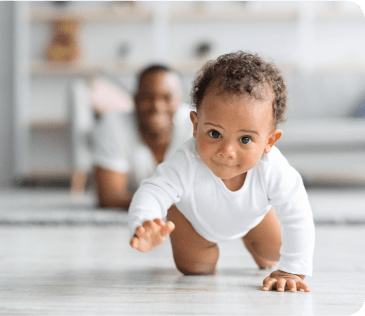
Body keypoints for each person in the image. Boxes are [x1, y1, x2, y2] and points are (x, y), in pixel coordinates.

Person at [128, 51, 315, 293]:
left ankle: (253, 241)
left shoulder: (272, 168)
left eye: (245, 139)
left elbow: (298, 214)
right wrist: (145, 221)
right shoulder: (186, 161)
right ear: (196, 125)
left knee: (274, 251)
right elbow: (153, 191)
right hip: (195, 222)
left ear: (270, 141)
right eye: (215, 134)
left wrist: (292, 270)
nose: (227, 151)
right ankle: (199, 242)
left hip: (252, 217)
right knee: (195, 268)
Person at [93, 65, 193, 209]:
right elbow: (109, 196)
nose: (157, 106)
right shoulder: (112, 125)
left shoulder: (197, 125)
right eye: (148, 98)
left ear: (180, 101)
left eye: (167, 98)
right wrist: (171, 202)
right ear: (135, 99)